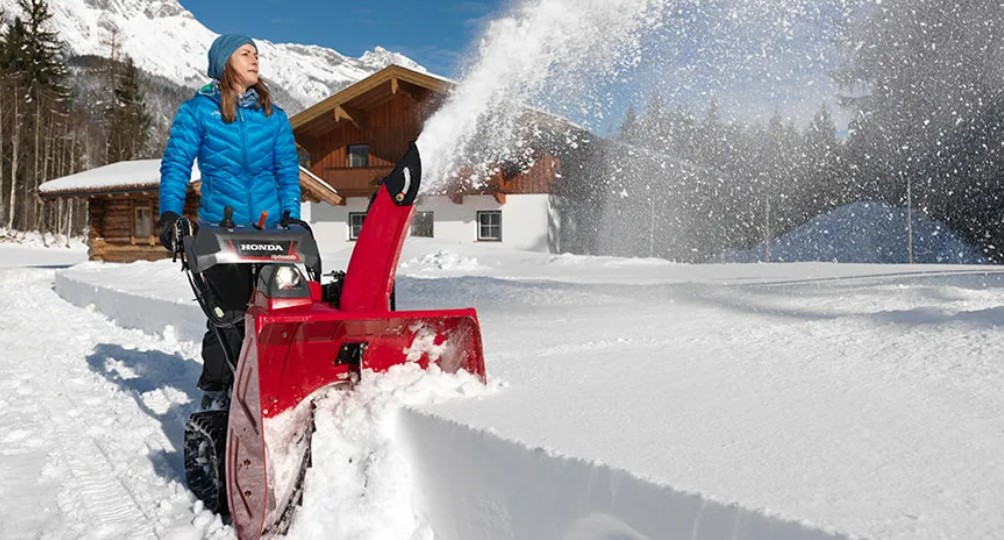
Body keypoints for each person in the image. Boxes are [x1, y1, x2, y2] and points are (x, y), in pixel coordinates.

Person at [157, 34, 302, 406]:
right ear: (225, 62)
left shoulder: (273, 116)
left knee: (284, 310)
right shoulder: (198, 112)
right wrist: (170, 214)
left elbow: (287, 171)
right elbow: (176, 165)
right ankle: (218, 391)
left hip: (272, 233)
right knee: (229, 316)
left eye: (257, 53)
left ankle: (279, 383)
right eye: (245, 53)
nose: (255, 59)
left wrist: (292, 217)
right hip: (222, 232)